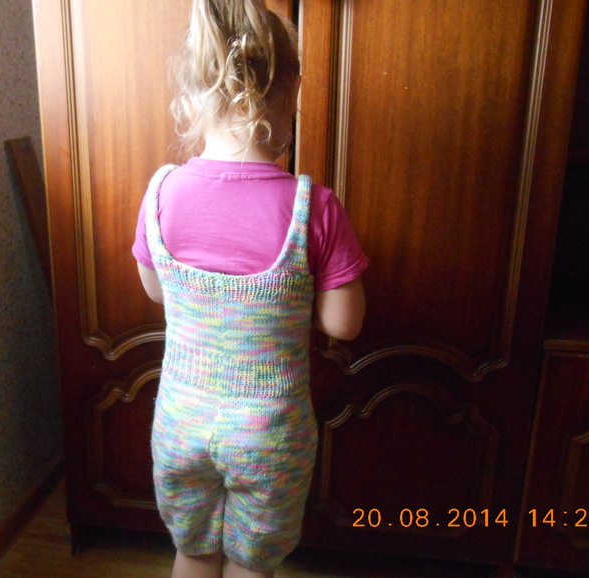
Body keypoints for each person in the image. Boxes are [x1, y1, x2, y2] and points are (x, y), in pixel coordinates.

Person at [132, 1, 367, 576]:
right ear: (290, 96)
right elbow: (343, 324)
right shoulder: (313, 206)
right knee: (252, 562)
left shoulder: (161, 193)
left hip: (180, 421)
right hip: (269, 431)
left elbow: (157, 291)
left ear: (189, 100)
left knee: (192, 550)